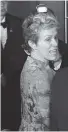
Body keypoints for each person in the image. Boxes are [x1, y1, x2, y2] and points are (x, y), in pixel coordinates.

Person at [19, 4, 59, 131]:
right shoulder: (38, 76)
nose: (55, 44)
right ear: (32, 43)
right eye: (48, 39)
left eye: (55, 37)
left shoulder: (34, 62)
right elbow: (50, 120)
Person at [1, 0, 27, 130]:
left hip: (13, 79)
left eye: (3, 1)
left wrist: (10, 73)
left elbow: (22, 51)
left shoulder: (18, 23)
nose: (1, 4)